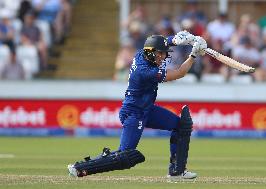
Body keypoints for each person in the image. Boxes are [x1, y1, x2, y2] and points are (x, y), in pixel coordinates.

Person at [67, 31, 207, 179]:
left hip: (146, 109)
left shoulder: (142, 53)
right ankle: (80, 168)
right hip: (134, 113)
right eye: (159, 54)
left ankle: (177, 171)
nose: (162, 57)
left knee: (181, 126)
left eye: (164, 53)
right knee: (125, 156)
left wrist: (179, 39)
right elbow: (179, 73)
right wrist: (193, 55)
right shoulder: (146, 72)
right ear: (151, 53)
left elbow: (161, 42)